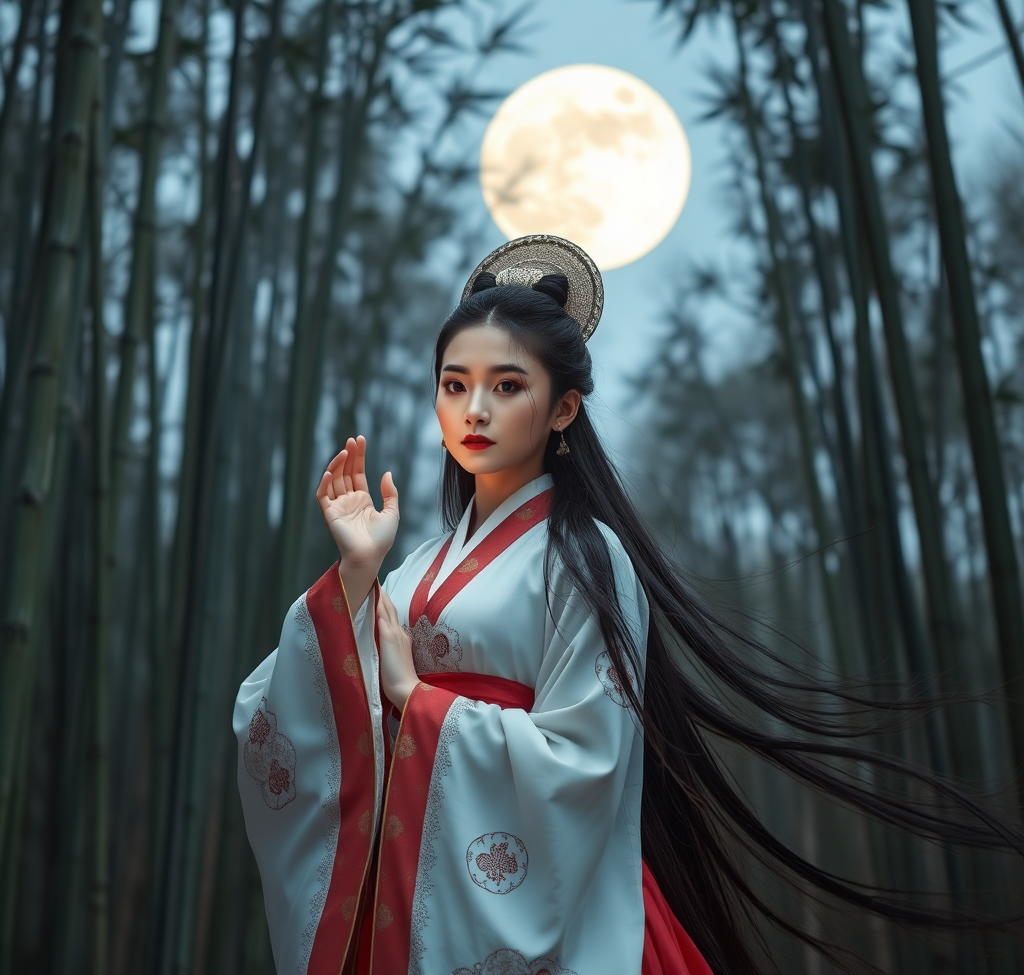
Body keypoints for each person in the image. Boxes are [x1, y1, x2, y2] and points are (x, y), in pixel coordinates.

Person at [234, 235, 1021, 975]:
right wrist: (355, 575)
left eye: (508, 386)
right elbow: (279, 713)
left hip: (542, 902)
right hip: (409, 894)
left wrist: (416, 701)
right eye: (455, 385)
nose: (475, 410)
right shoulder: (412, 568)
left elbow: (588, 756)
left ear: (564, 409)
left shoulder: (587, 557)